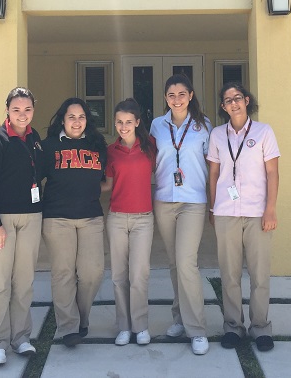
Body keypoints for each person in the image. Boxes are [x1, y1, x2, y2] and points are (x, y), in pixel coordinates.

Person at [207, 82, 279, 353]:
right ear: (223, 107)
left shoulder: (263, 132)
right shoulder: (216, 135)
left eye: (237, 98)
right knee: (230, 274)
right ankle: (233, 326)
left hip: (257, 213)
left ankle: (260, 327)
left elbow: (272, 173)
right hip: (226, 212)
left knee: (259, 274)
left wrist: (270, 209)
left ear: (247, 100)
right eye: (227, 100)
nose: (233, 103)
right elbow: (214, 174)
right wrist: (213, 208)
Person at [0, 87, 42, 366]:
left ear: (33, 111)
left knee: (24, 282)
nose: (22, 115)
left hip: (31, 219)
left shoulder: (35, 138)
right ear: (7, 111)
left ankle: (21, 337)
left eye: (27, 109)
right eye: (16, 110)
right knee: (0, 282)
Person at [149, 74, 212, 355]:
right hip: (164, 199)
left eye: (182, 94)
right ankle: (180, 318)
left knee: (187, 262)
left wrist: (216, 202)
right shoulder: (156, 125)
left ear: (191, 95)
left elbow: (214, 166)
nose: (177, 99)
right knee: (174, 263)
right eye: (171, 95)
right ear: (165, 98)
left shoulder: (203, 125)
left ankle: (197, 328)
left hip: (193, 201)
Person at [40, 97, 108, 347]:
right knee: (64, 273)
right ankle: (68, 327)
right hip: (57, 218)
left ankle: (82, 317)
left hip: (91, 216)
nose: (77, 122)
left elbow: (104, 180)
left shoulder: (98, 145)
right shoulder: (48, 147)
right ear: (62, 120)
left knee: (92, 272)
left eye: (81, 117)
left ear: (87, 120)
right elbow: (34, 180)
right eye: (71, 117)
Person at [101, 98, 157, 347]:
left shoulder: (151, 147)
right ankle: (124, 326)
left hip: (144, 219)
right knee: (119, 275)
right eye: (119, 122)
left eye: (128, 122)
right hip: (116, 218)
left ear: (137, 122)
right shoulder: (111, 151)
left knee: (139, 274)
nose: (123, 127)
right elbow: (108, 185)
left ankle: (141, 325)